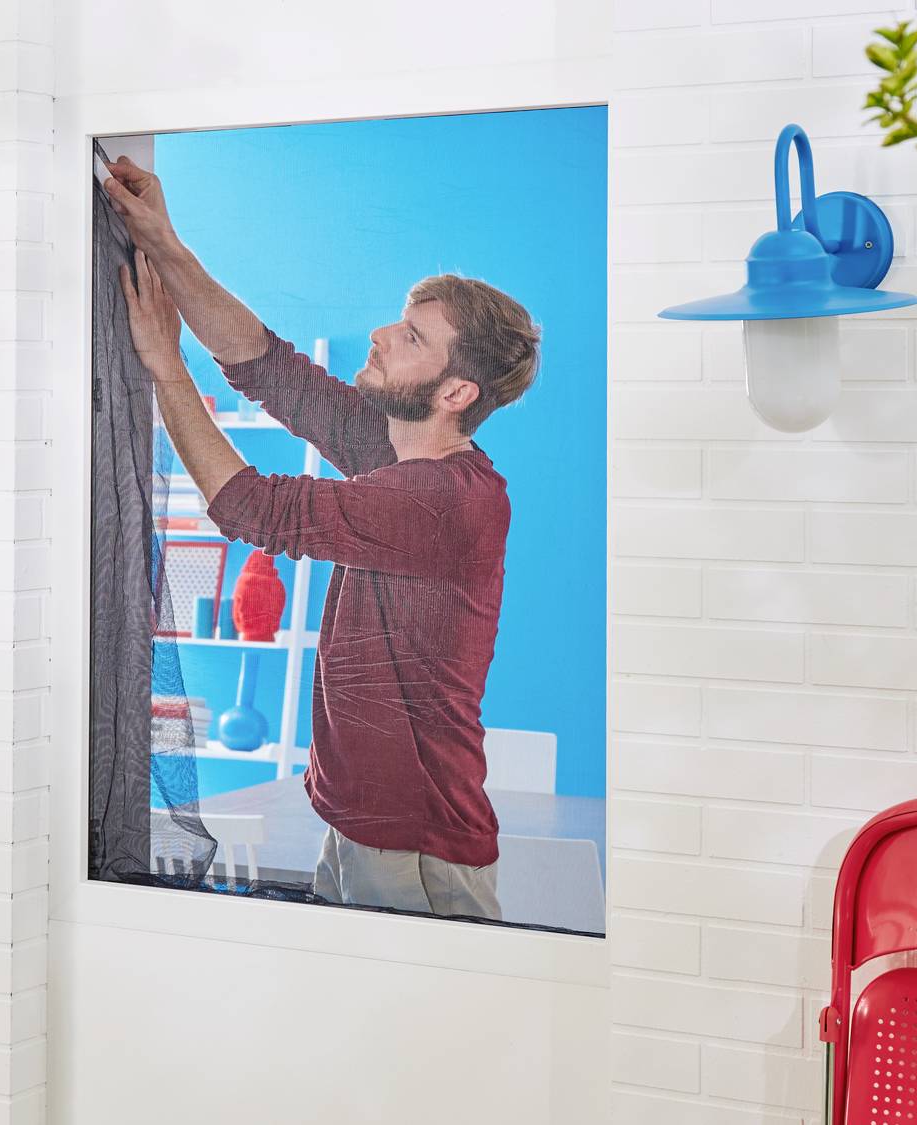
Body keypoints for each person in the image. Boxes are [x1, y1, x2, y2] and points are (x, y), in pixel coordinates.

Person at [103, 154, 541, 921]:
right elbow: (266, 366)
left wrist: (164, 366)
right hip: (365, 832)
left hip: (415, 854)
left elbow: (250, 507)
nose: (380, 334)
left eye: (410, 337)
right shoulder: (396, 448)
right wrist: (166, 245)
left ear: (456, 392)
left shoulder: (443, 502)